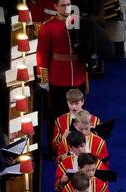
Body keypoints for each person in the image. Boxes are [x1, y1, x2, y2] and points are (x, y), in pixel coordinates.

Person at [36, 0, 87, 157]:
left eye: (69, 4)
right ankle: (55, 148)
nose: (67, 8)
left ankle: (78, 146)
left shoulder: (77, 21)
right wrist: (44, 79)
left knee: (78, 115)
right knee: (57, 116)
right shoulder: (47, 27)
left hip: (77, 75)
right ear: (55, 7)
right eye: (63, 5)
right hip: (58, 77)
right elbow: (42, 55)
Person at [52, 88, 100, 152]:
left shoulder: (94, 120)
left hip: (89, 155)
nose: (74, 107)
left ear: (83, 102)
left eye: (77, 104)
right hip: (69, 156)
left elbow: (100, 144)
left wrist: (93, 134)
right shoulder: (60, 121)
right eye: (71, 104)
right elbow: (55, 146)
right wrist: (63, 137)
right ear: (67, 102)